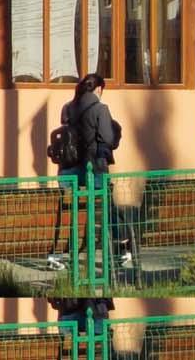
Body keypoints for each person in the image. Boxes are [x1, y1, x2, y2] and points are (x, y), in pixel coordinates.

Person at [55, 74, 130, 267]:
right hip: (94, 169)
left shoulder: (68, 108)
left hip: (68, 172)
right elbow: (108, 138)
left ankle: (58, 253)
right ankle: (121, 248)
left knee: (70, 209)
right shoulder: (100, 109)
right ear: (98, 89)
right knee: (108, 206)